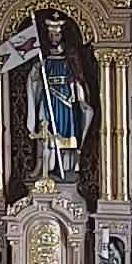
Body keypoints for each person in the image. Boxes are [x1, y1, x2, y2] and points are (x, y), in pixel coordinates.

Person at [26, 14, 94, 181]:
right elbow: (35, 81)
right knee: (44, 133)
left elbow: (77, 77)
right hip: (48, 101)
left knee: (64, 136)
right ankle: (44, 168)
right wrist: (35, 73)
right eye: (51, 35)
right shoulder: (43, 58)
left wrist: (80, 97)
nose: (53, 38)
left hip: (65, 102)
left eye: (56, 34)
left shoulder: (70, 56)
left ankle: (65, 168)